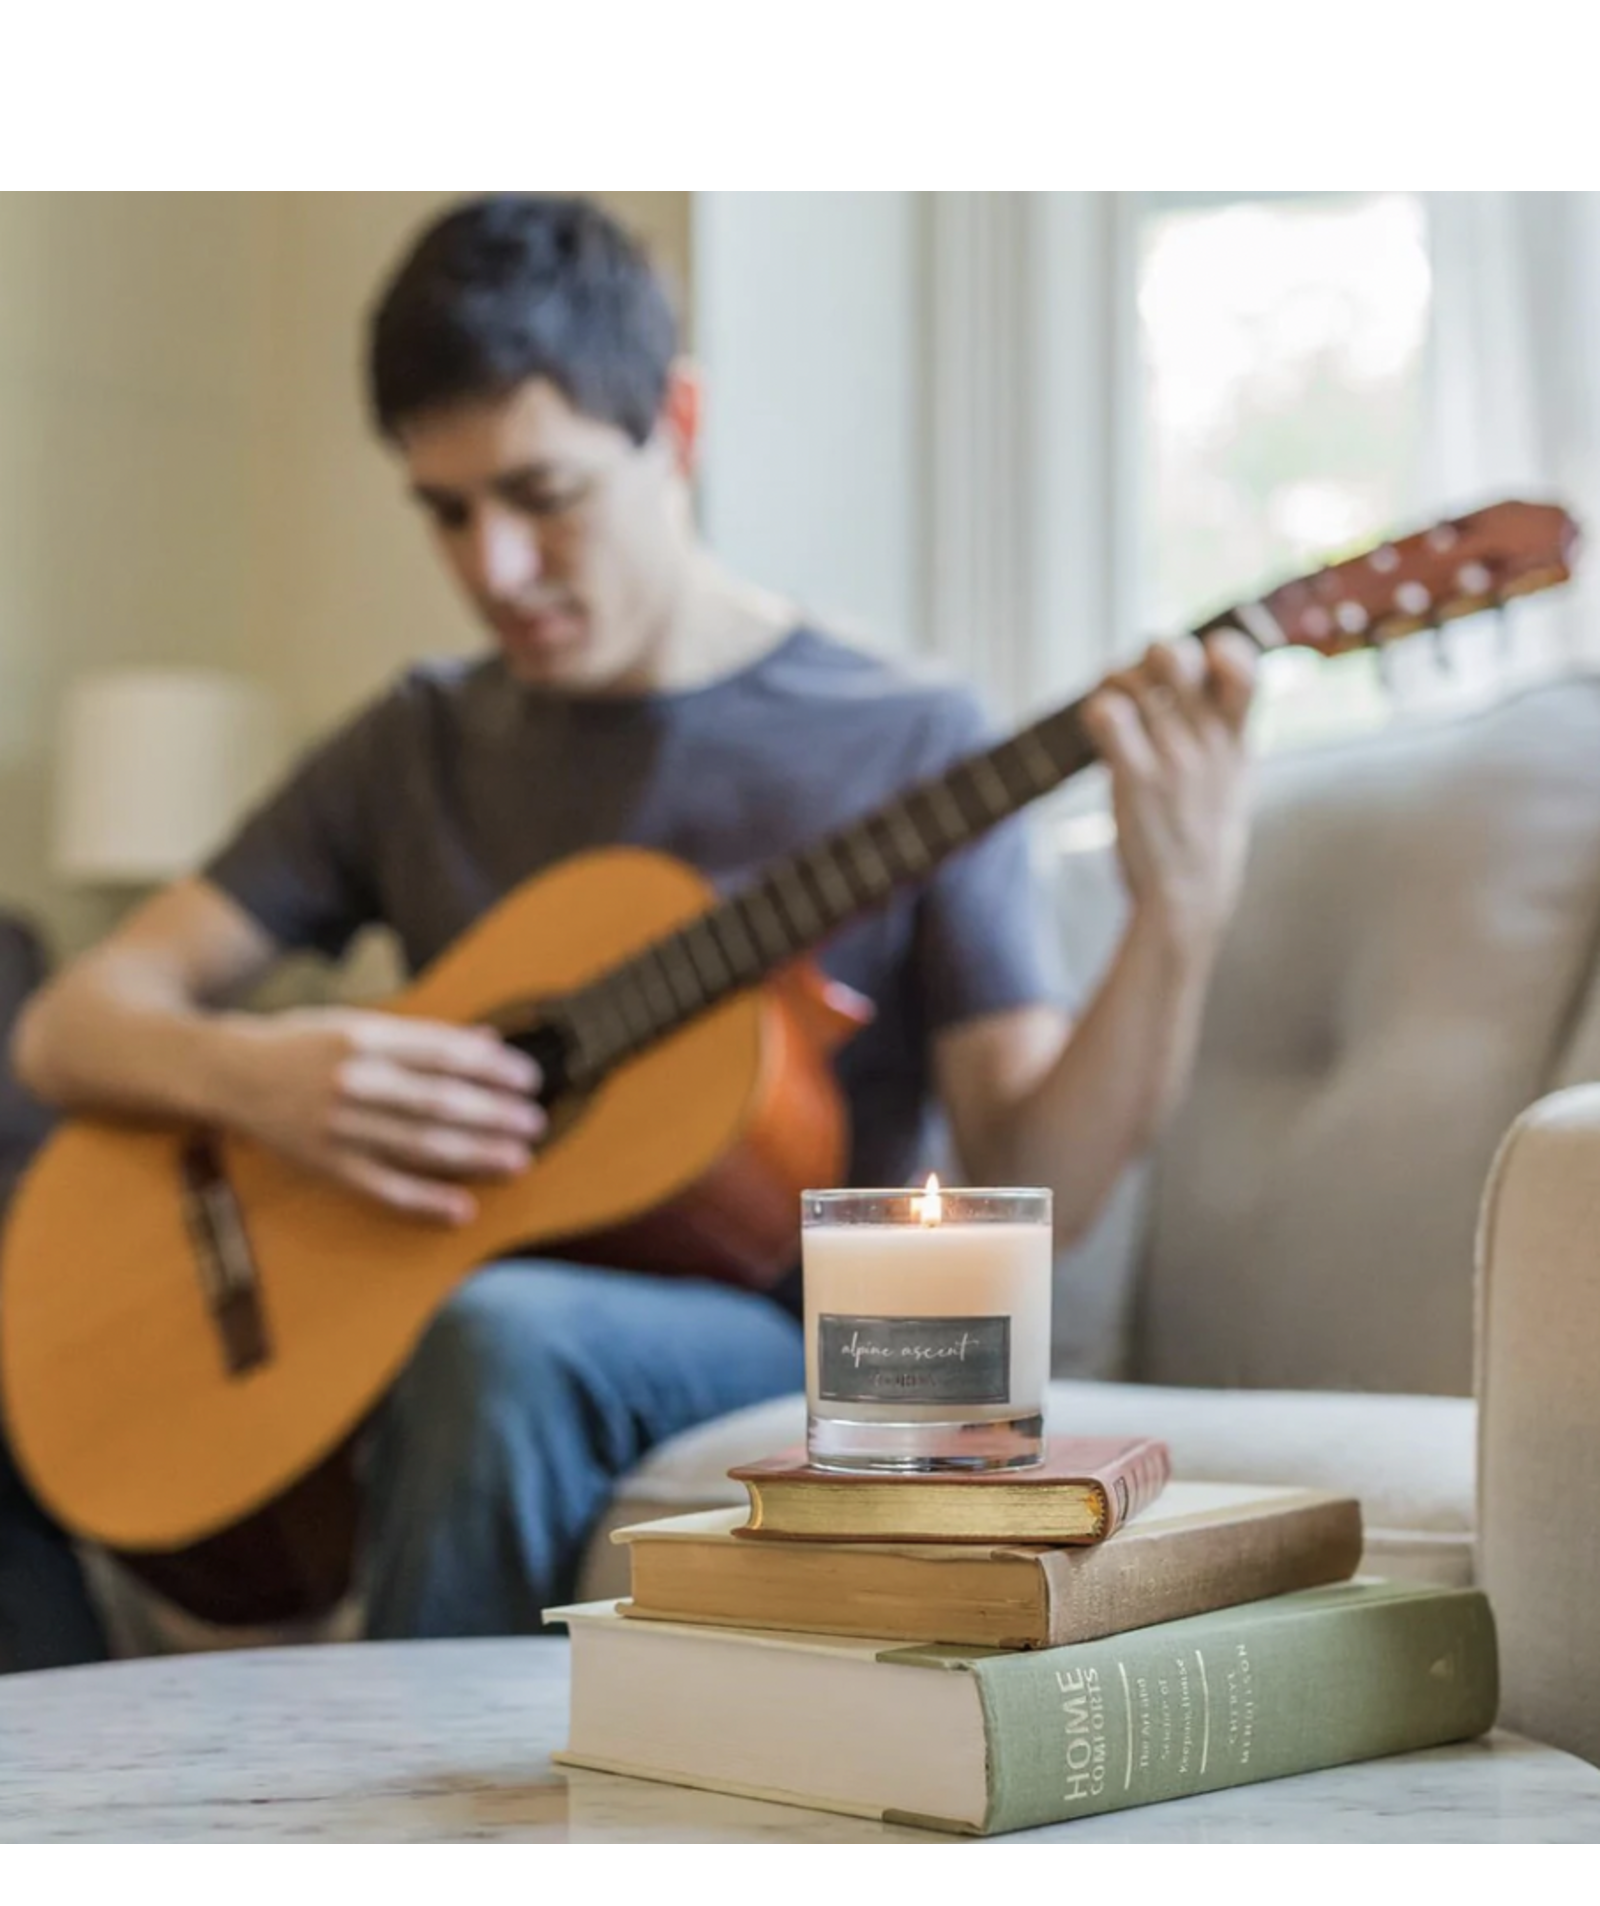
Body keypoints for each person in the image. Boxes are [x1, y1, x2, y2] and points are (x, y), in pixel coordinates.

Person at [2, 192, 1259, 1669]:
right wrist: (269, 1076)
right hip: (457, 1292)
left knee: (502, 1335)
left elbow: (1040, 1178)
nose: (496, 569)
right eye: (446, 511)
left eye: (543, 496)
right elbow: (73, 1022)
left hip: (777, 1333)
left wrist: (1178, 921)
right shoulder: (416, 740)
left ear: (676, 419)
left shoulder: (912, 738)